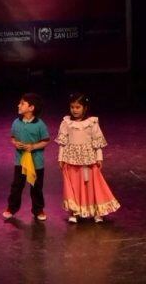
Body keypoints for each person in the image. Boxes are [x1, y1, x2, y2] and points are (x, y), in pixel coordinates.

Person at [56, 93, 121, 223]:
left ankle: (97, 211)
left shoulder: (91, 123)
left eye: (78, 107)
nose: (74, 110)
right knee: (74, 186)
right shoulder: (66, 123)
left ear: (85, 108)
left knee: (93, 185)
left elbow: (97, 142)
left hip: (89, 160)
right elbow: (62, 142)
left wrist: (99, 158)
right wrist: (60, 158)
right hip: (72, 160)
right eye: (72, 107)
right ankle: (75, 211)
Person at [3, 92, 51, 221]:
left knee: (36, 187)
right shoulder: (16, 122)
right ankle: (11, 208)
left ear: (31, 108)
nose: (19, 105)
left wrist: (33, 147)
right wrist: (15, 143)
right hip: (20, 161)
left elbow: (46, 140)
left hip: (36, 162)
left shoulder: (40, 124)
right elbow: (12, 138)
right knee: (17, 186)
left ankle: (38, 209)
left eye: (22, 103)